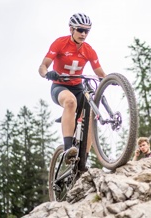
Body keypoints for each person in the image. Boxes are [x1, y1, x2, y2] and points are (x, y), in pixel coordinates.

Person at [38, 13, 107, 164]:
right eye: (80, 30)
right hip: (60, 86)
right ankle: (68, 149)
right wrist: (47, 73)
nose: (83, 34)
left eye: (86, 31)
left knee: (90, 115)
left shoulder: (88, 50)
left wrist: (111, 80)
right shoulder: (60, 43)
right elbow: (43, 66)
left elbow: (100, 72)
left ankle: (84, 160)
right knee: (70, 102)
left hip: (78, 87)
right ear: (71, 29)